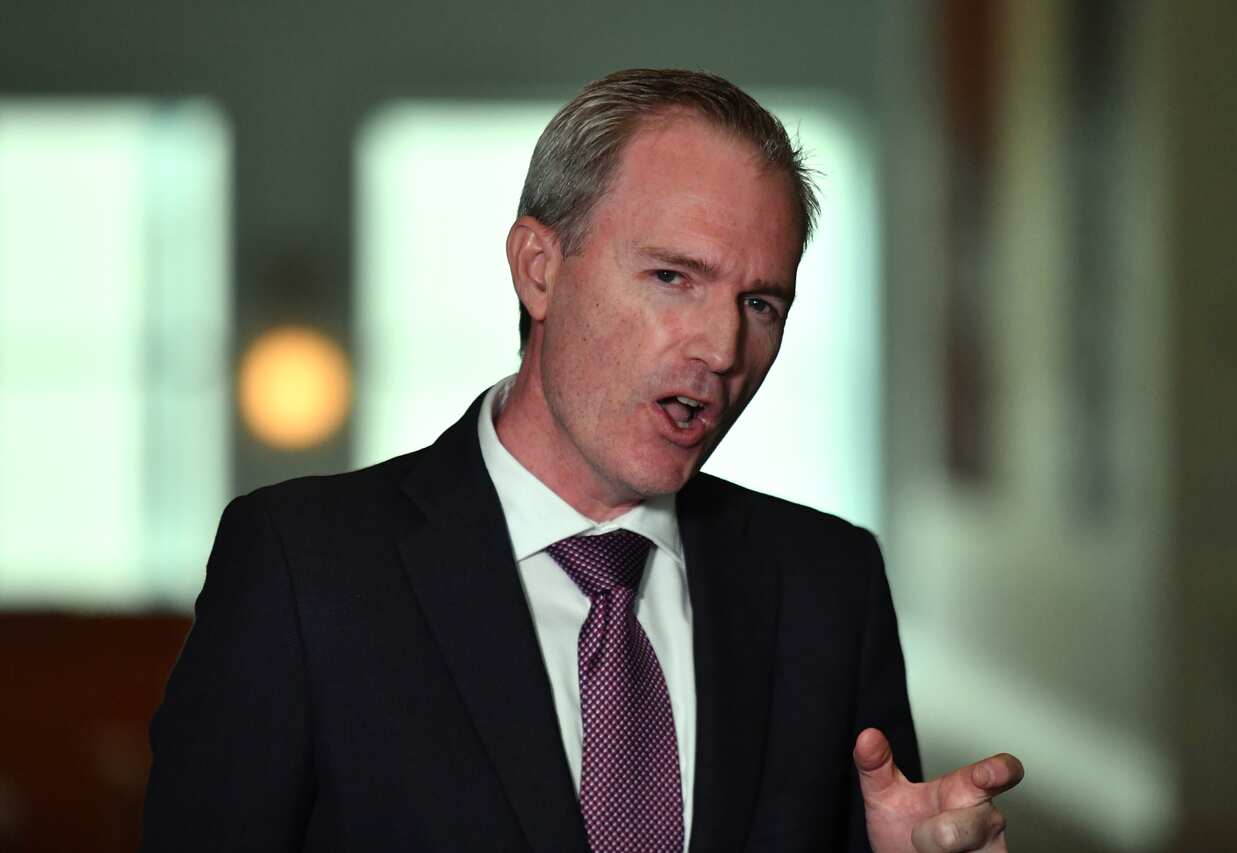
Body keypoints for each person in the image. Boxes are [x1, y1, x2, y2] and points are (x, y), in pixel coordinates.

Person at [142, 68, 1023, 852]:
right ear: (539, 269)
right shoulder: (304, 566)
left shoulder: (830, 584)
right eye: (673, 278)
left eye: (760, 301)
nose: (722, 347)